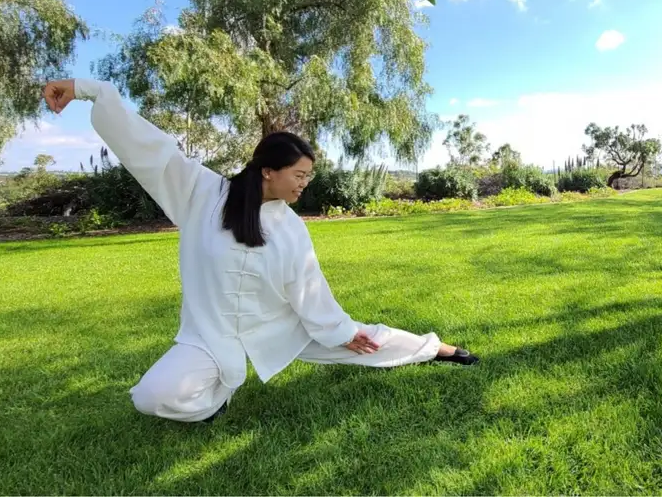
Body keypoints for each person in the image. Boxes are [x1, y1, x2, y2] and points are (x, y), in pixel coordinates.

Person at [43, 78, 480, 423]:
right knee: (151, 397)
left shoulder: (291, 229)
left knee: (363, 339)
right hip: (209, 335)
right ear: (268, 171)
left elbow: (309, 292)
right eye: (300, 174)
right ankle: (216, 400)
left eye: (309, 176)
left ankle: (436, 349)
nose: (305, 183)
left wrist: (342, 332)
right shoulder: (201, 193)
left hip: (280, 326)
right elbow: (152, 151)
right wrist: (89, 90)